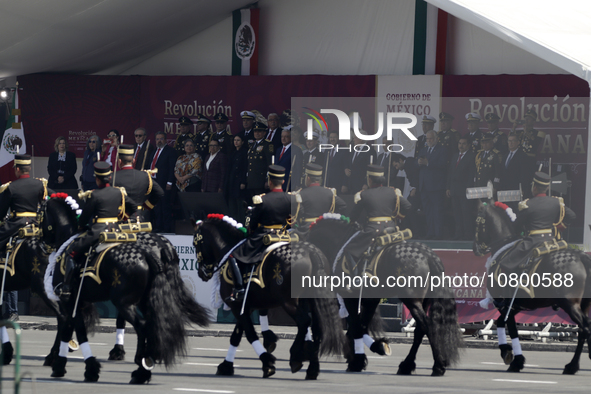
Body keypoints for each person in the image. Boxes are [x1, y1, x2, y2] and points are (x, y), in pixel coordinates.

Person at [58, 162, 137, 297]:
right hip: (117, 230)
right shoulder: (119, 192)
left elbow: (84, 218)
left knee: (71, 252)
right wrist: (123, 218)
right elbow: (133, 206)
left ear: (97, 179)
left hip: (98, 231)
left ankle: (66, 287)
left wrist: (81, 226)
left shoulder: (94, 195)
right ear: (110, 178)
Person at [231, 165, 293, 301]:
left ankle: (239, 288)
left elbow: (252, 224)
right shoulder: (291, 199)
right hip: (286, 236)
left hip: (264, 237)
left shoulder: (261, 199)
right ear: (283, 181)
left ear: (269, 181)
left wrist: (249, 230)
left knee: (235, 254)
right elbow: (291, 221)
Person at [501, 172, 576, 271]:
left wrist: (520, 232)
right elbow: (572, 216)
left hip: (532, 243)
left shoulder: (528, 204)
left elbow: (517, 226)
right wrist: (559, 227)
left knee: (506, 263)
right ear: (547, 188)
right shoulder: (556, 202)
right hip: (551, 240)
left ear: (534, 187)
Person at [344, 164, 411, 266]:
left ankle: (356, 277)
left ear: (369, 180)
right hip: (392, 228)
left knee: (349, 249)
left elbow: (354, 216)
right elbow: (407, 206)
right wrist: (396, 215)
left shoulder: (364, 194)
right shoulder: (392, 191)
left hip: (372, 231)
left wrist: (349, 221)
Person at [0, 154, 49, 255]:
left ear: (17, 169)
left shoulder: (11, 187)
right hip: (36, 224)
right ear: (30, 168)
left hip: (16, 225)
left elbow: (1, 212)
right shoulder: (40, 184)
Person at [114, 144, 164, 221]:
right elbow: (160, 192)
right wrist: (146, 206)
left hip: (120, 217)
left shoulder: (112, 177)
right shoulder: (144, 176)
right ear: (133, 161)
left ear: (119, 161)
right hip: (138, 217)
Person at [293, 163, 346, 231]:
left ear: (308, 178)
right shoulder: (329, 192)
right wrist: (331, 217)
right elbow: (343, 205)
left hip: (306, 229)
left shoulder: (301, 194)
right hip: (324, 228)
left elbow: (298, 212)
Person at [417, 130, 448, 239]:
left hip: (436, 186)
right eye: (427, 138)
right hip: (424, 186)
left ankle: (438, 234)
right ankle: (430, 233)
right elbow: (419, 163)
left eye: (430, 138)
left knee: (437, 211)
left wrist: (428, 163)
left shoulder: (442, 150)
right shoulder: (423, 150)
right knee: (428, 211)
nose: (428, 140)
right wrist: (419, 162)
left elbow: (443, 164)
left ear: (436, 139)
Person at [446, 137, 476, 240]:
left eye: (463, 144)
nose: (461, 146)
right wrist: (448, 187)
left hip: (465, 190)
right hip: (454, 189)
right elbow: (450, 173)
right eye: (459, 143)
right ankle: (458, 234)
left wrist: (469, 189)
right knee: (457, 214)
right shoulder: (455, 156)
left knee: (466, 213)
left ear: (468, 145)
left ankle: (468, 235)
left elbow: (471, 175)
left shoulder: (471, 157)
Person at [150, 131, 177, 233]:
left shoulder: (170, 151)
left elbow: (171, 168)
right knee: (156, 206)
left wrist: (170, 182)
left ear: (165, 140)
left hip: (164, 182)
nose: (159, 141)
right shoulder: (153, 151)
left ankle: (167, 228)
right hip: (153, 182)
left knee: (165, 206)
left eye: (161, 139)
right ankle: (158, 226)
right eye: (157, 139)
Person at [499, 133, 534, 207]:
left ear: (518, 142)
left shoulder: (523, 156)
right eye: (509, 141)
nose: (510, 143)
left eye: (513, 141)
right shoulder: (505, 156)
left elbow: (525, 175)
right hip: (505, 190)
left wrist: (523, 190)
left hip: (516, 190)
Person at [225, 134, 249, 223]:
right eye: (235, 140)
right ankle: (233, 223)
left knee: (240, 204)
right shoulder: (233, 152)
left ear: (242, 142)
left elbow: (245, 168)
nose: (236, 142)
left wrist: (243, 181)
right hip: (232, 181)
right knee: (232, 203)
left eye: (238, 140)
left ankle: (241, 222)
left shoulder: (244, 152)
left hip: (239, 181)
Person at [246, 122, 274, 198]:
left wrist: (267, 180)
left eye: (259, 131)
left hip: (260, 181)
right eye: (255, 131)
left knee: (261, 203)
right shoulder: (252, 145)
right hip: (252, 180)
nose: (257, 133)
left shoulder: (267, 144)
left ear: (264, 133)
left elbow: (270, 163)